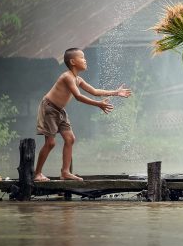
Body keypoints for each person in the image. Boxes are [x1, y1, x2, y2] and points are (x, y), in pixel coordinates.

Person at [34, 48, 132, 182]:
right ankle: (37, 173)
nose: (85, 60)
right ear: (73, 61)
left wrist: (115, 92)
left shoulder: (77, 79)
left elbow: (95, 91)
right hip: (49, 108)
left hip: (60, 110)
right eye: (82, 57)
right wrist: (98, 104)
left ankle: (65, 172)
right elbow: (78, 96)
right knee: (50, 143)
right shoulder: (67, 77)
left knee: (70, 139)